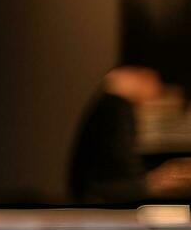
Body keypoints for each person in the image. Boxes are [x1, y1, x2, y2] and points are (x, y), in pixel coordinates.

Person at [68, 65, 191, 203]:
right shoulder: (117, 107)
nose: (157, 88)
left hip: (96, 188)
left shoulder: (110, 104)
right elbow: (122, 165)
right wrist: (155, 182)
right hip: (100, 193)